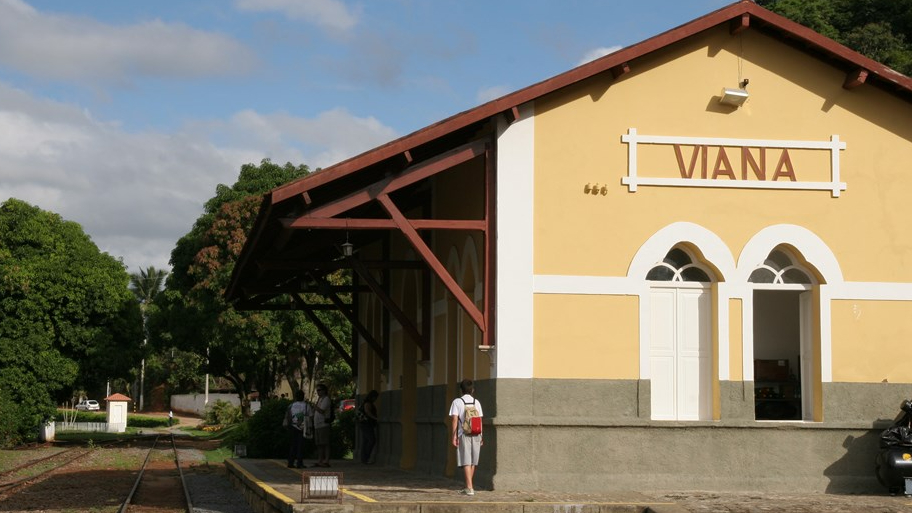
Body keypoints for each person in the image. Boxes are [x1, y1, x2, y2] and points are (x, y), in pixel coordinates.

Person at [449, 379, 483, 496]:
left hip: (463, 433)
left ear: (461, 390)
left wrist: (454, 435)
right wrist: (481, 435)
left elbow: (454, 419)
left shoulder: (457, 402)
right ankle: (469, 486)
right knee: (473, 460)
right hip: (476, 433)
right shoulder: (476, 402)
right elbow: (480, 419)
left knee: (466, 460)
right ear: (472, 390)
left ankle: (469, 487)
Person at [285, 390, 311, 468]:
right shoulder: (307, 406)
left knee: (293, 445)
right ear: (303, 397)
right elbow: (310, 416)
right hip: (303, 427)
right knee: (300, 445)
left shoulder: (291, 405)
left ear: (295, 397)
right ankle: (299, 463)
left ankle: (290, 462)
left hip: (293, 426)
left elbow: (288, 416)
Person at [312, 384, 332, 467]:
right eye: (317, 390)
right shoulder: (320, 399)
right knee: (319, 444)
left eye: (319, 390)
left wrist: (314, 406)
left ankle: (326, 460)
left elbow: (322, 410)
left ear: (324, 390)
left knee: (325, 443)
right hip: (317, 425)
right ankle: (320, 460)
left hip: (323, 424)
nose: (318, 392)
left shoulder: (326, 399)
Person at [358, 390, 379, 464]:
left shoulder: (365, 402)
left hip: (364, 423)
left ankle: (364, 458)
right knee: (371, 440)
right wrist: (375, 418)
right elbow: (367, 412)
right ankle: (366, 457)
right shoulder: (367, 403)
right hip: (366, 424)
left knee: (365, 441)